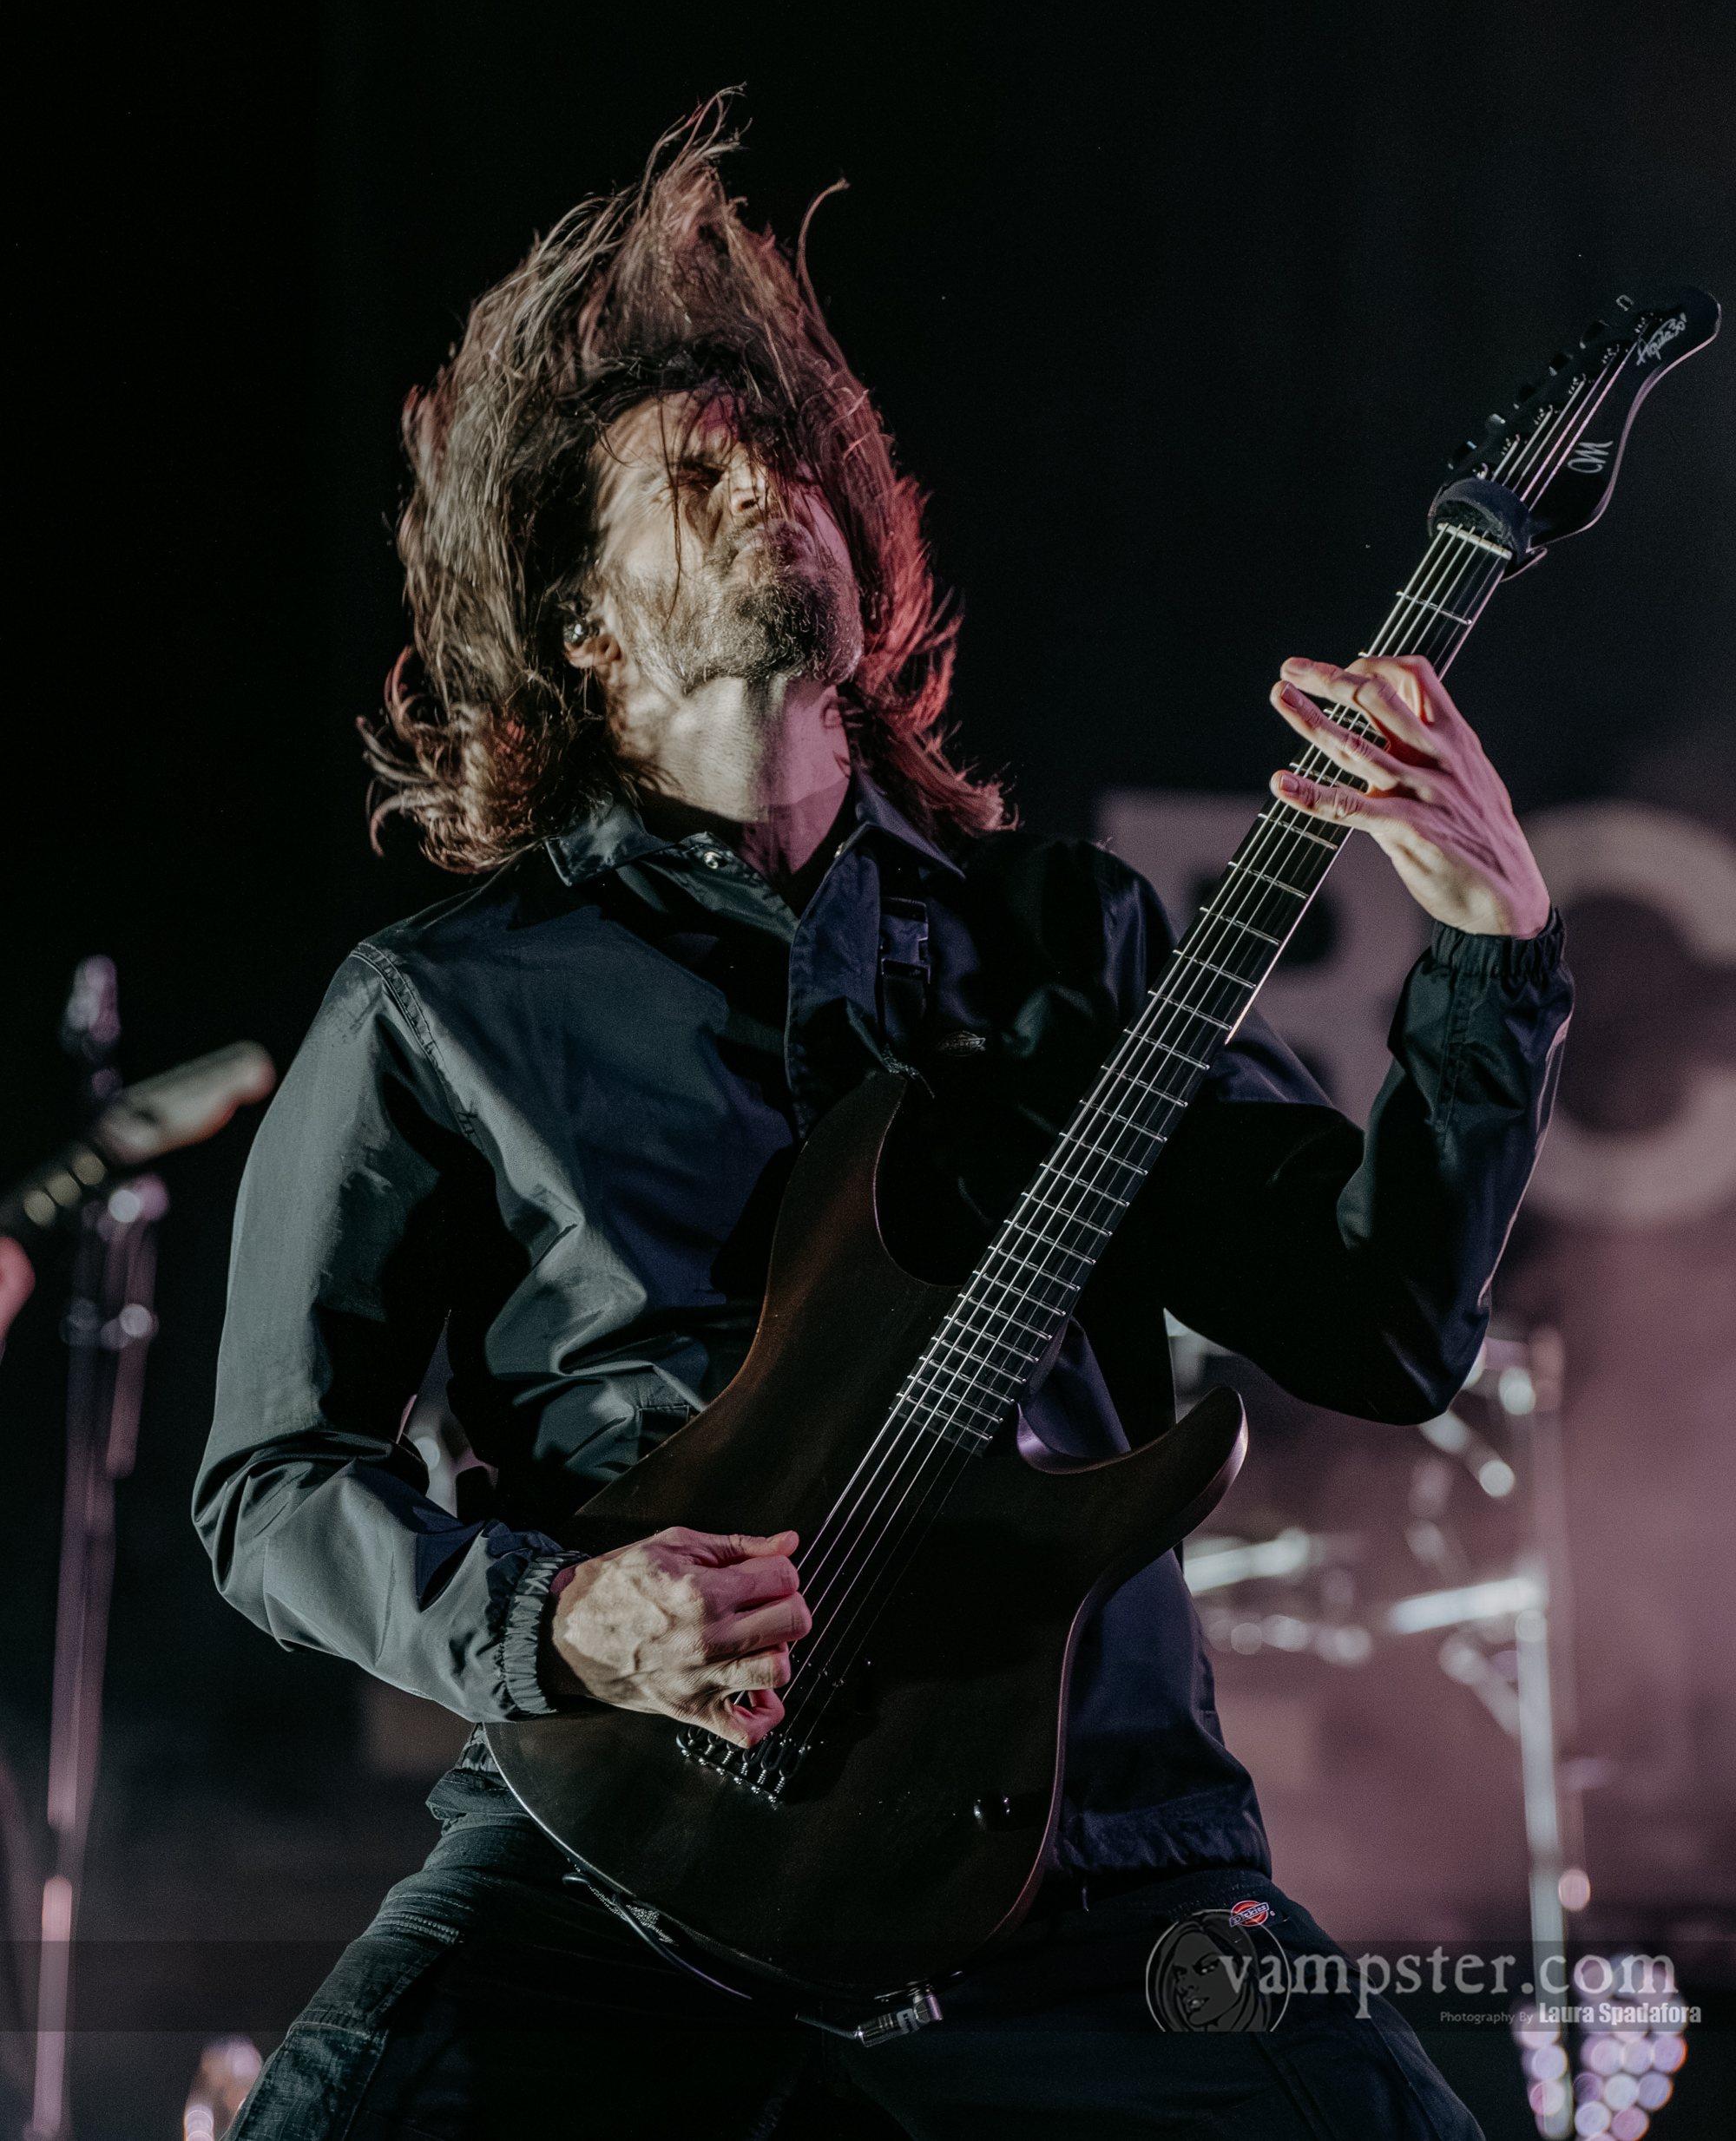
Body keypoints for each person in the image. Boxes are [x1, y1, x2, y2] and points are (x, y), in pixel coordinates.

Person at [199, 107, 1570, 2139]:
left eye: (793, 467)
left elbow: (1381, 1323)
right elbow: (270, 1483)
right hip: (624, 1851)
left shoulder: (1062, 940)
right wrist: (560, 1618)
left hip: (1088, 1855)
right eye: (695, 479)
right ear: (580, 625)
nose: (771, 492)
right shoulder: (440, 1003)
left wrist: (1491, 953)